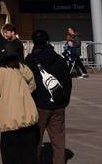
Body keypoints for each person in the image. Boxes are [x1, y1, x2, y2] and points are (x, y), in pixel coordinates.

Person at [27, 30, 72, 164]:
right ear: (48, 41)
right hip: (58, 103)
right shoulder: (59, 59)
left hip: (38, 105)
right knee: (58, 138)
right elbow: (67, 80)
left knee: (36, 138)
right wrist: (65, 99)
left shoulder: (30, 60)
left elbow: (25, 81)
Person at [0, 55, 39, 164]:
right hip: (28, 117)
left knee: (10, 153)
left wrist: (6, 92)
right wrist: (25, 92)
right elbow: (33, 85)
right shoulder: (24, 69)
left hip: (10, 119)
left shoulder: (1, 71)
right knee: (29, 152)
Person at [0, 24, 24, 130]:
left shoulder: (15, 44)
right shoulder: (10, 43)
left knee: (5, 99)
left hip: (12, 73)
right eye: (5, 32)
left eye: (7, 32)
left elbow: (17, 60)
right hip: (10, 73)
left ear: (13, 32)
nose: (5, 35)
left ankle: (4, 121)